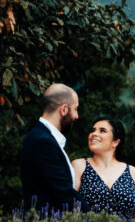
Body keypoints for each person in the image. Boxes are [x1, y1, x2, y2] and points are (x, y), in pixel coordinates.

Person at [20, 83, 88, 214]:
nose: (77, 116)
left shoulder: (42, 137)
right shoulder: (42, 142)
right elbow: (64, 193)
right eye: (75, 109)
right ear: (63, 110)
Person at [71, 116, 135, 222]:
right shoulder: (79, 166)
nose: (94, 134)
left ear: (115, 142)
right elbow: (67, 203)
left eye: (102, 131)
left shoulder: (132, 172)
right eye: (93, 130)